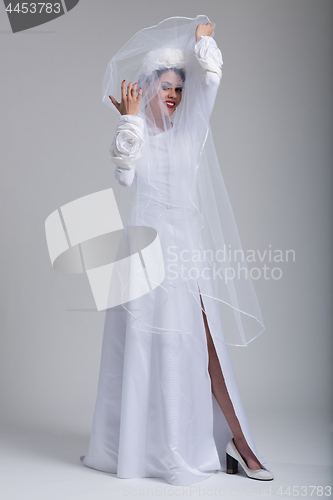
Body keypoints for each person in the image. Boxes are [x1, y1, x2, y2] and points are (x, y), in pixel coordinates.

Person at [80, 16, 274, 484]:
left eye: (177, 89)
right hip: (144, 255)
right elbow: (125, 177)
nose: (173, 95)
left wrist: (204, 45)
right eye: (164, 86)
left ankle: (235, 444)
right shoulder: (137, 135)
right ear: (146, 87)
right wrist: (127, 120)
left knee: (202, 347)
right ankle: (144, 448)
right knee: (142, 348)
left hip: (186, 255)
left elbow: (210, 81)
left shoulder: (190, 131)